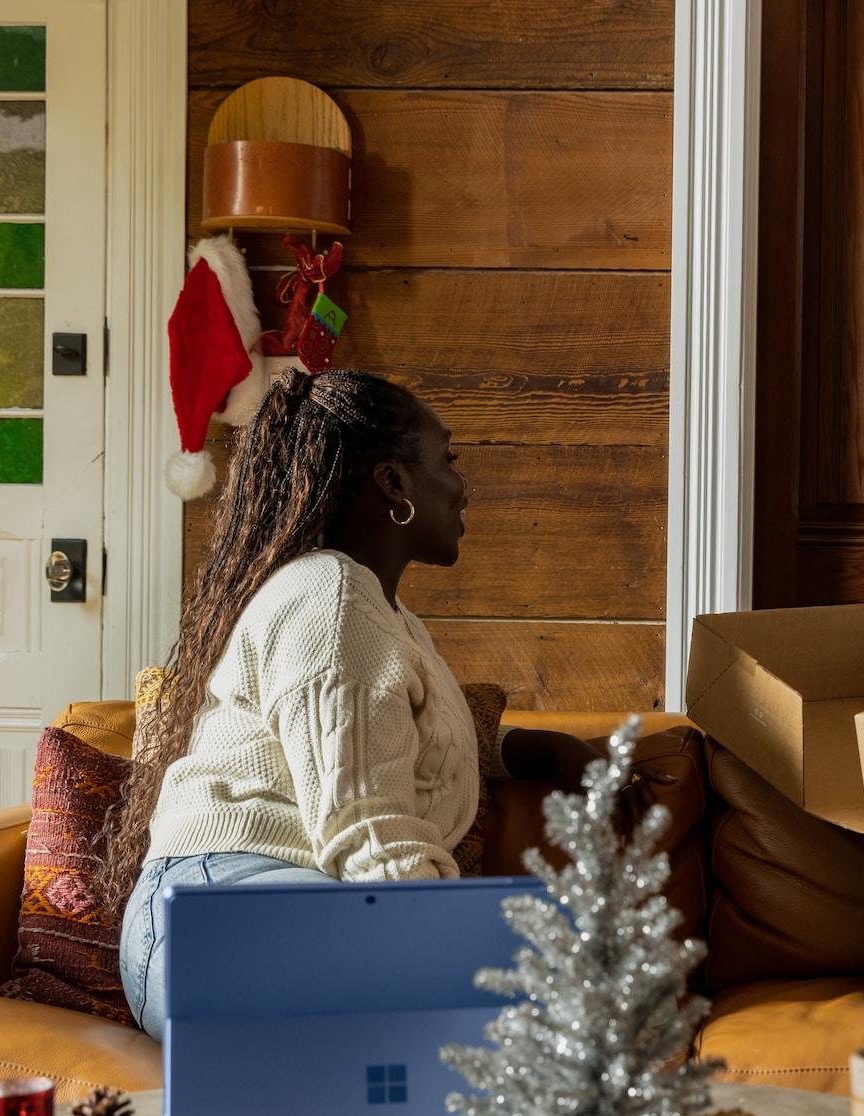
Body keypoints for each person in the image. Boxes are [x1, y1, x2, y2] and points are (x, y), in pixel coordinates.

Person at [99, 368, 602, 1038]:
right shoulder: (331, 602)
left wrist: (538, 748)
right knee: (533, 996)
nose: (461, 485)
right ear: (394, 484)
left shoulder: (376, 611)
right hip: (218, 915)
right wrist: (456, 954)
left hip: (252, 914)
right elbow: (367, 827)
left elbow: (407, 733)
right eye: (447, 461)